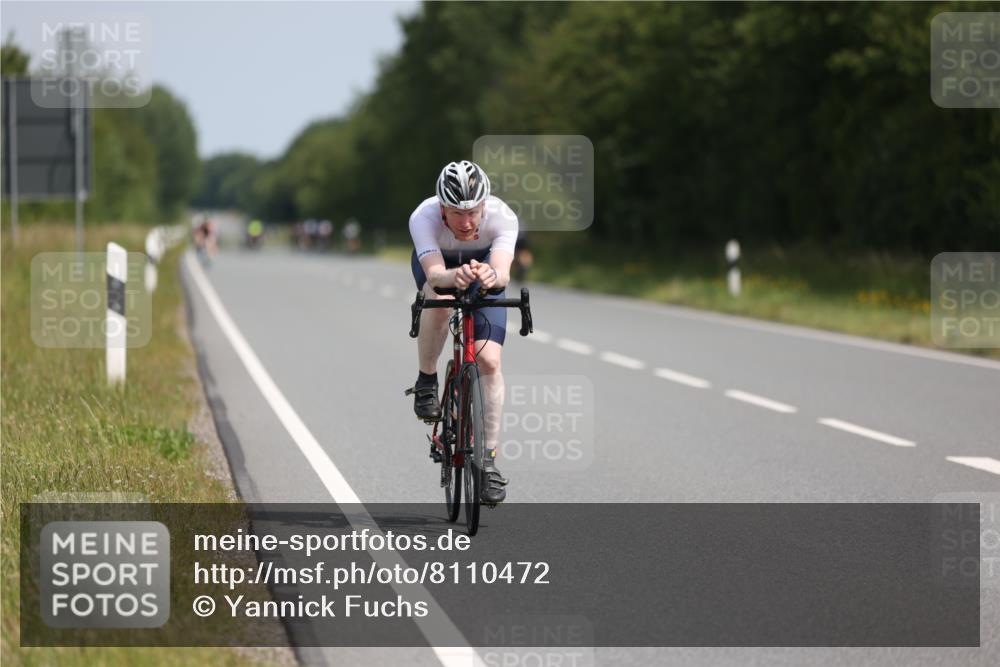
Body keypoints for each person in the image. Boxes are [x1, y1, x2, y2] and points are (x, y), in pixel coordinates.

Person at [408, 160, 518, 504]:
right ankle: (427, 380)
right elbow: (434, 274)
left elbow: (502, 273)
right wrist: (450, 278)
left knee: (488, 361)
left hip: (483, 266)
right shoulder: (422, 217)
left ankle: (488, 462)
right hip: (440, 268)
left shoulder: (503, 217)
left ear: (485, 204)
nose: (467, 222)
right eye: (456, 213)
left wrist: (489, 275)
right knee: (438, 300)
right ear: (441, 207)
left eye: (474, 212)